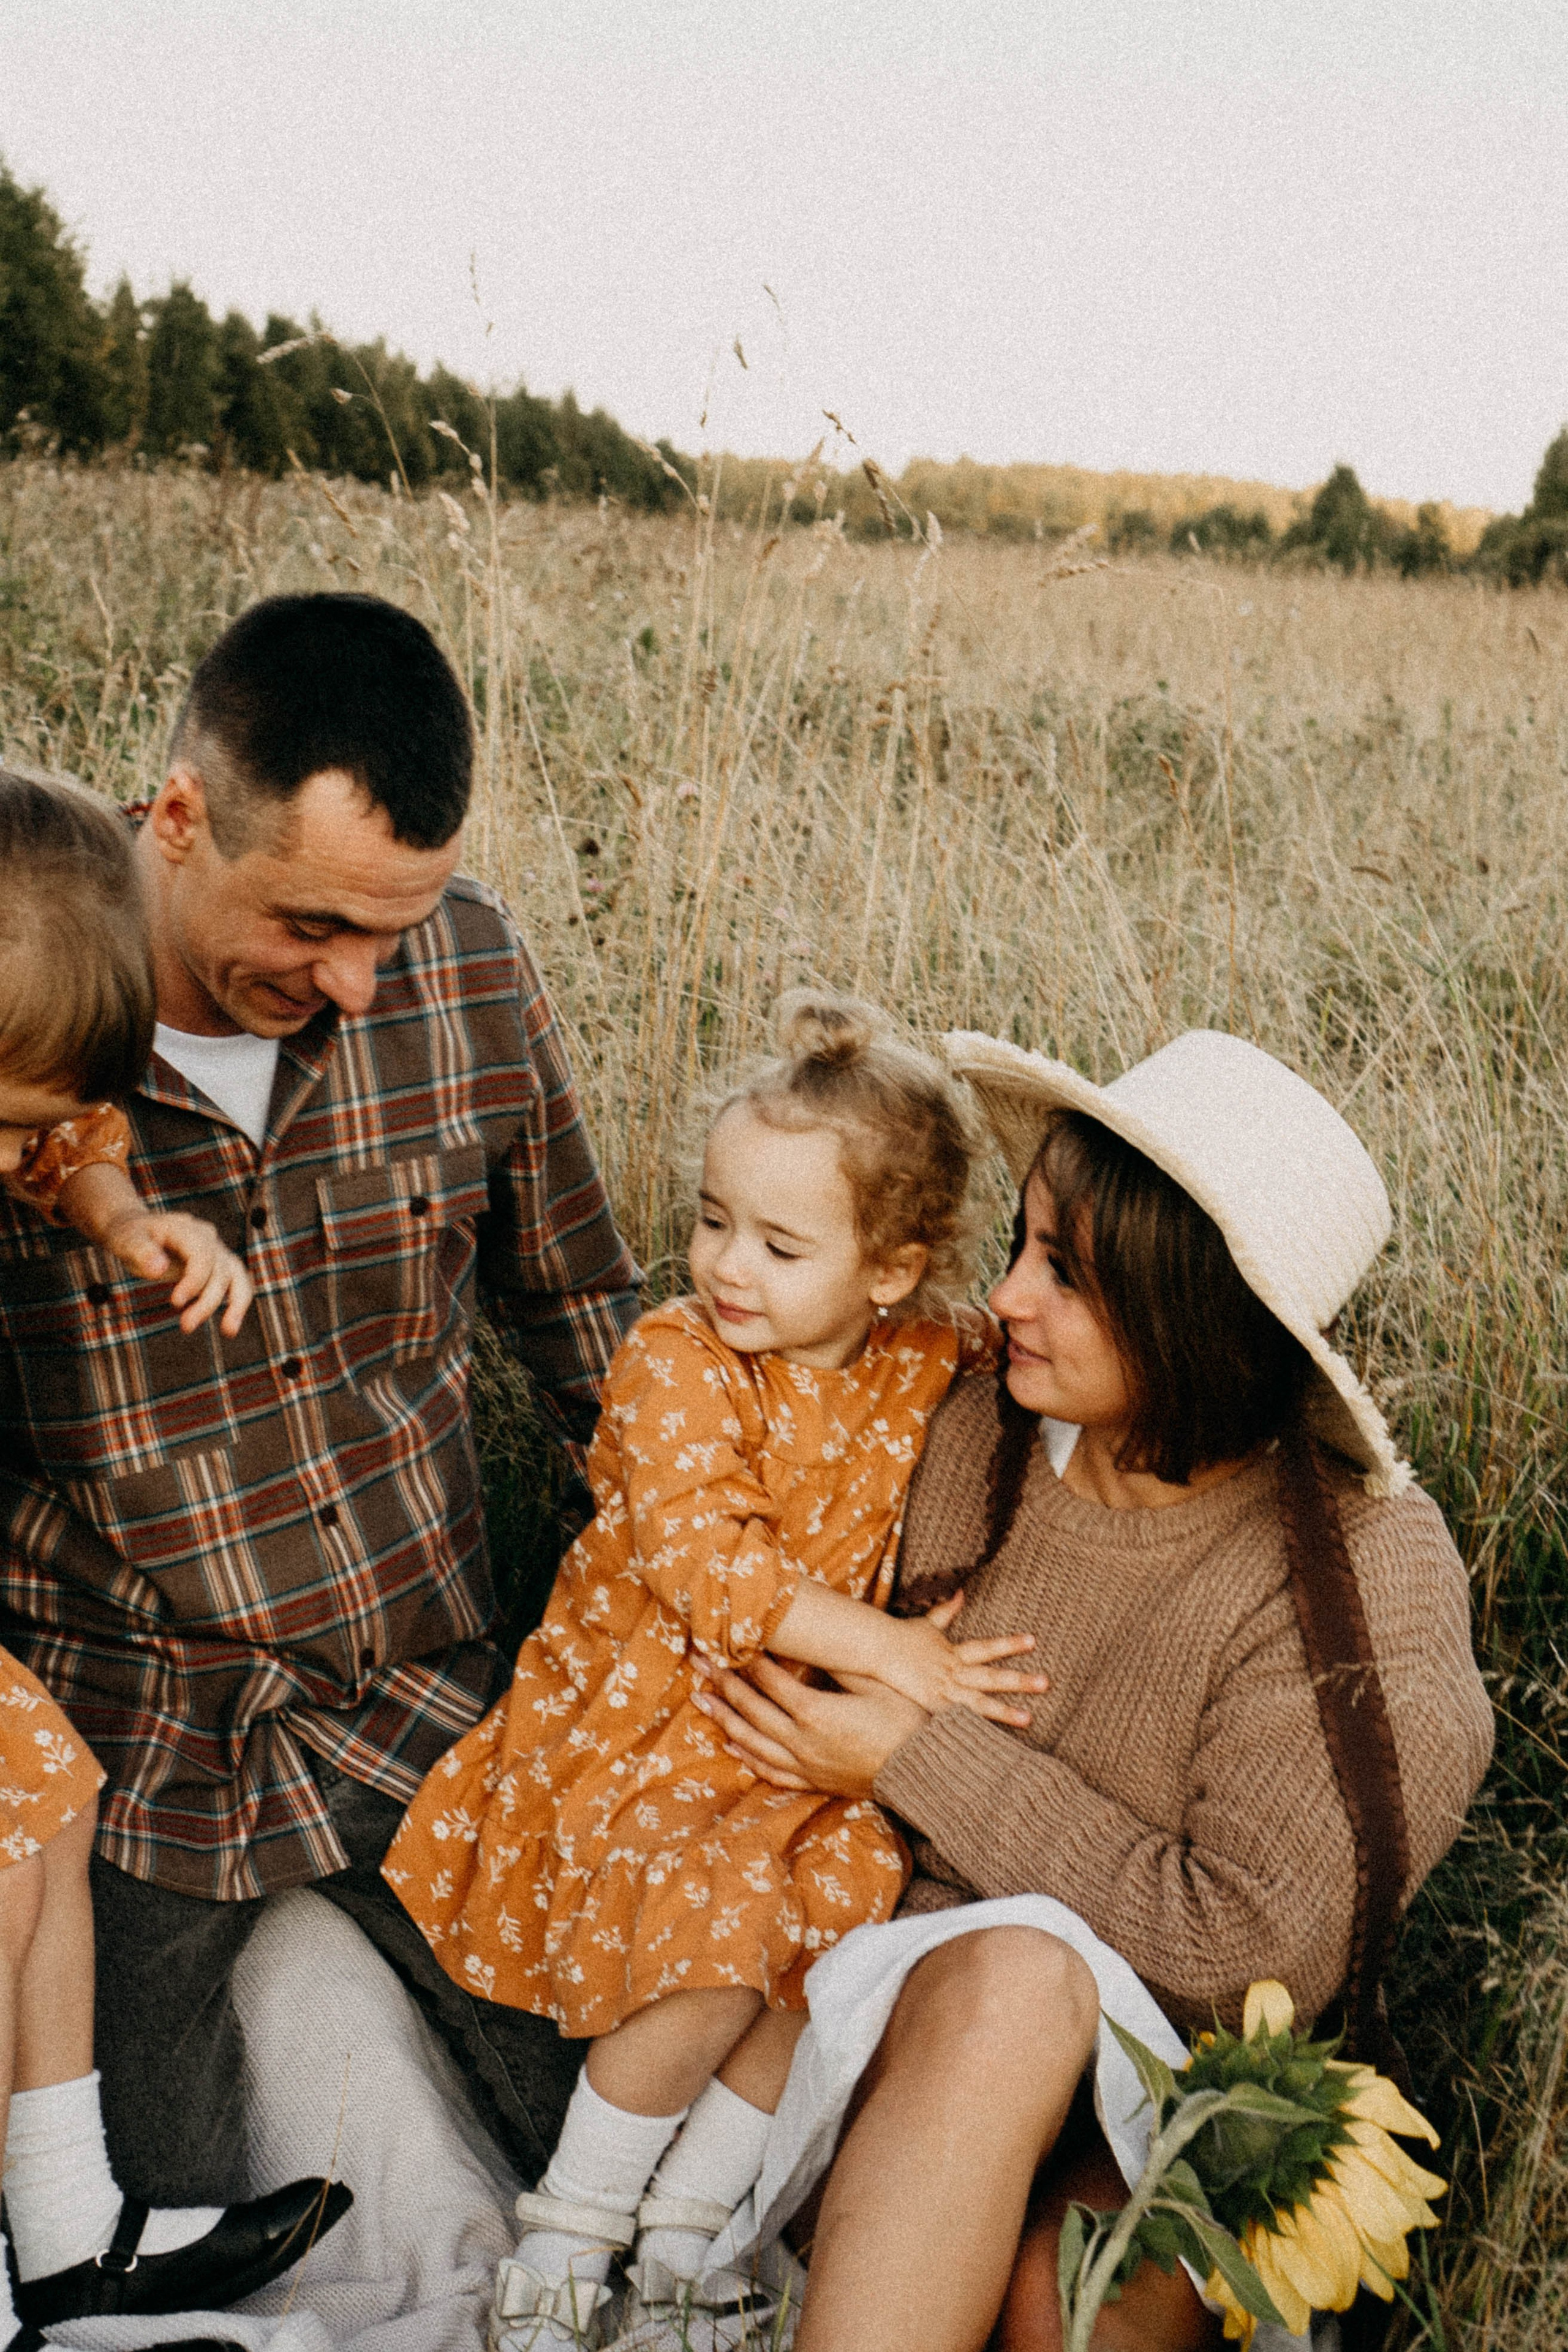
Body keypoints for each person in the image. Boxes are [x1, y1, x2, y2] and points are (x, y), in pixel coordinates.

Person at [702, 1027, 1495, 2352]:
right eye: (1020, 1247)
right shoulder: (970, 1426)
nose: (1005, 1298)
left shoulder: (1356, 1572)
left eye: (1064, 1273)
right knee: (1007, 1980)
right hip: (899, 2039)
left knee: (1072, 2287)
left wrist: (917, 1756)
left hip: (1180, 2081)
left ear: (1194, 1314)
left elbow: (1253, 1955)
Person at [0, 595, 641, 2214]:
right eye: (309, 926)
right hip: (141, 1746)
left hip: (427, 1705)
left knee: (610, 2166)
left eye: (392, 932)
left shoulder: (474, 967)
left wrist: (692, 1583)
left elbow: (579, 1312)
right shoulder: (28, 1017)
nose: (359, 983)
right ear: (178, 819)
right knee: (183, 2228)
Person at [382, 997, 1047, 2349]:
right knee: (718, 1920)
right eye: (711, 1219)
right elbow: (710, 1573)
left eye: (779, 1243)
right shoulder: (674, 1361)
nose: (726, 1265)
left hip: (781, 1752)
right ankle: (569, 2225)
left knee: (843, 1917)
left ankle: (693, 2229)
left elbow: (1024, 1357)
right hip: (644, 1730)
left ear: (889, 1270)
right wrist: (896, 1657)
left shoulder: (931, 1353)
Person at [0, 768, 349, 2344]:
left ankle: (69, 2227)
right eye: (7, 1124)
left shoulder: (36, 1109)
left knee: (44, 1787)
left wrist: (128, 1214)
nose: (31, 1154)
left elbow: (72, 1133)